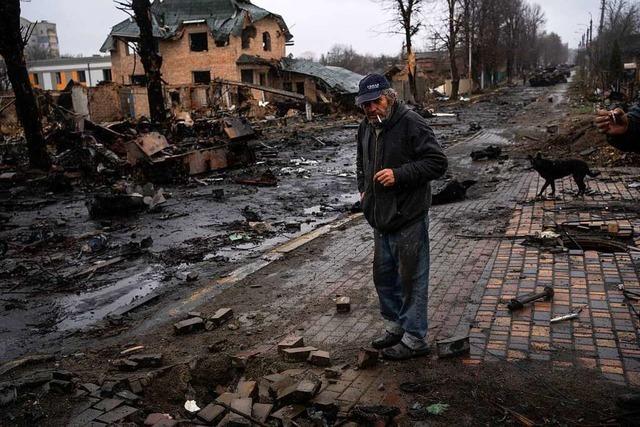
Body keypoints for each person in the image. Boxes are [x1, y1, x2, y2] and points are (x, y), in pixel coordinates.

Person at [355, 74, 448, 360]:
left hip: (409, 215)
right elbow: (362, 162)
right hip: (380, 217)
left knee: (411, 279)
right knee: (383, 277)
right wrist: (364, 192)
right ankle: (395, 327)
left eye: (376, 102)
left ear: (390, 97)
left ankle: (415, 338)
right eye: (365, 104)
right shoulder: (367, 127)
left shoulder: (411, 123)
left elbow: (437, 163)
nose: (371, 109)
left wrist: (399, 175)